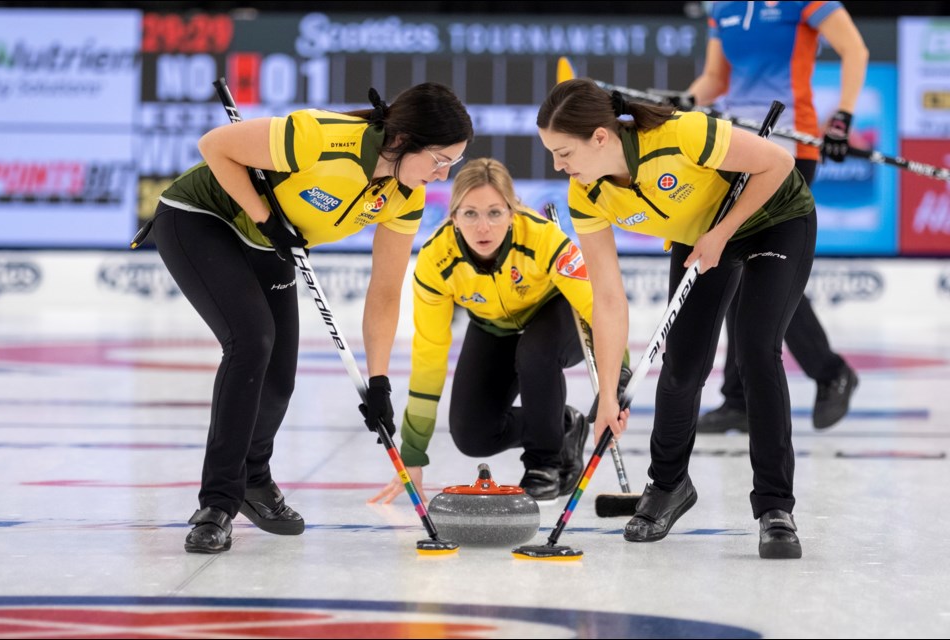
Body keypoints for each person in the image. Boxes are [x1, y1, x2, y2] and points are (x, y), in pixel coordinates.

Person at [137, 83, 473, 553]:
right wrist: (267, 218)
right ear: (403, 140)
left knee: (278, 376)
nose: (442, 174)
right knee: (251, 341)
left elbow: (384, 292)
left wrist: (379, 382)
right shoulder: (321, 136)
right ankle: (217, 503)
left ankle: (254, 479)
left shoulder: (405, 196)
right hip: (201, 218)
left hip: (268, 239)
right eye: (439, 160)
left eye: (451, 165)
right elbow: (214, 146)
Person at [537, 77, 817, 559]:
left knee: (755, 348)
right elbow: (606, 297)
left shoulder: (680, 134)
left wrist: (725, 232)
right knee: (682, 365)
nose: (559, 166)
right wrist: (607, 395)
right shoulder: (587, 194)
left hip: (775, 217)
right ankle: (668, 486)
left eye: (564, 153)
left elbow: (780, 162)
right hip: (699, 232)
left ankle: (775, 506)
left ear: (600, 138)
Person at [368, 158, 608, 504]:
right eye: (470, 214)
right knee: (472, 435)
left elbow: (599, 308)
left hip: (558, 315)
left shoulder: (542, 237)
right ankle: (564, 426)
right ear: (453, 216)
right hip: (493, 325)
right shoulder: (436, 261)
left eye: (495, 213)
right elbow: (429, 355)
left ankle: (544, 463)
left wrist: (619, 377)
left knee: (536, 354)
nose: (483, 227)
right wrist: (413, 454)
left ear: (513, 212)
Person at [681, 0, 867, 433]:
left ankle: (827, 371)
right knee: (735, 263)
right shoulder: (723, 8)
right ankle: (743, 397)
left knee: (758, 265)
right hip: (736, 146)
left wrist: (842, 118)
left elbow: (855, 50)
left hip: (787, 149)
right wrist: (685, 100)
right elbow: (715, 79)